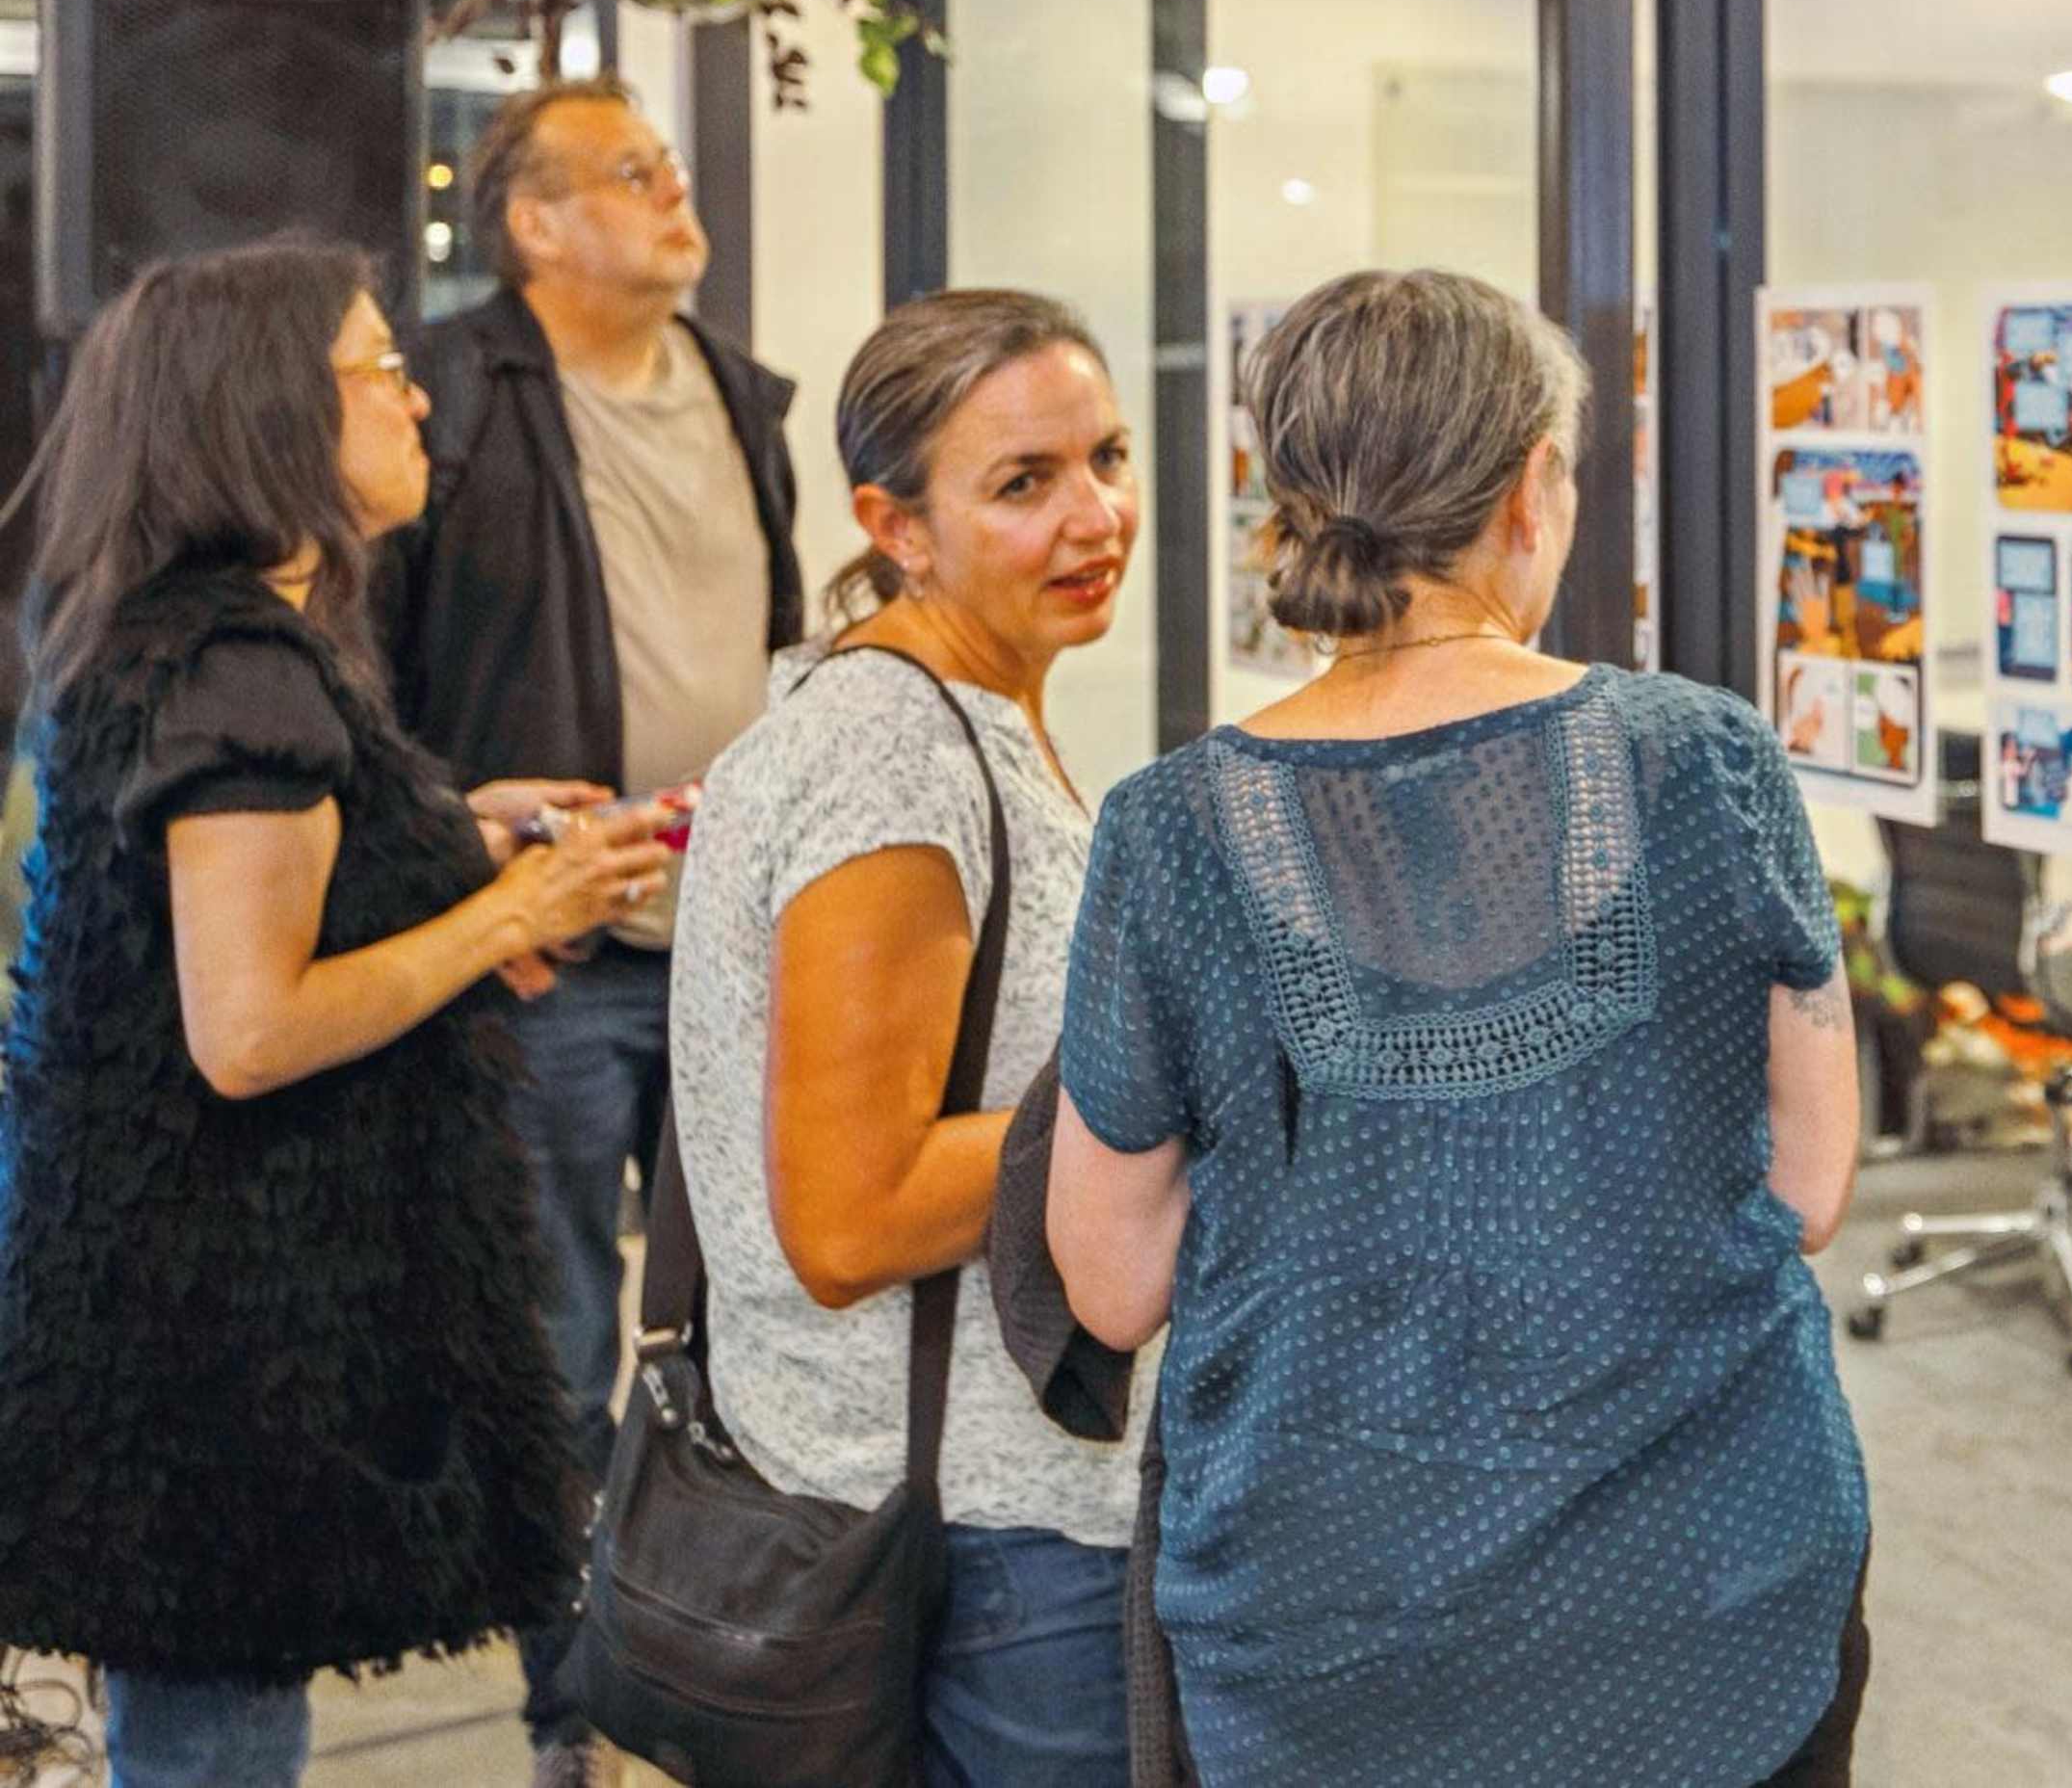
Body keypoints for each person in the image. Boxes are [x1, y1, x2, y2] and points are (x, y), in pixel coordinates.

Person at [1044, 268, 1871, 1786]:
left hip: (1330, 1635)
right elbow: (1810, 1189)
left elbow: (1108, 1284)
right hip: (1709, 1595)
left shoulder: (1168, 833)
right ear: (1532, 494)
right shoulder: (1709, 759)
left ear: (1291, 507)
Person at [0, 242, 674, 1787]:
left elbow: (296, 876)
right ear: (269, 418)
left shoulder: (208, 641)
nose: (416, 399)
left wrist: (453, 833)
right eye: (377, 369)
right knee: (215, 1744)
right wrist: (510, 912)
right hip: (215, 1327)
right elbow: (248, 1027)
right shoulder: (239, 667)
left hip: (187, 1302)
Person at [370, 78, 800, 1772]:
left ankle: (731, 1681)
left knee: (751, 1339)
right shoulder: (449, 401)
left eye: (672, 165)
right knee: (555, 1361)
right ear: (537, 222)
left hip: (731, 952)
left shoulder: (739, 393)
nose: (675, 190)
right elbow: (370, 680)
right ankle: (574, 1712)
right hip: (547, 961)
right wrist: (463, 887)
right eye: (633, 171)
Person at [667, 289, 1148, 1783]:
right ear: (897, 524)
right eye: (1025, 484)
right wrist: (1162, 1105)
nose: (1095, 517)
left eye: (1108, 458)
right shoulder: (895, 748)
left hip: (947, 1504)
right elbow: (850, 1211)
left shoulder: (945, 711)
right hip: (968, 1538)